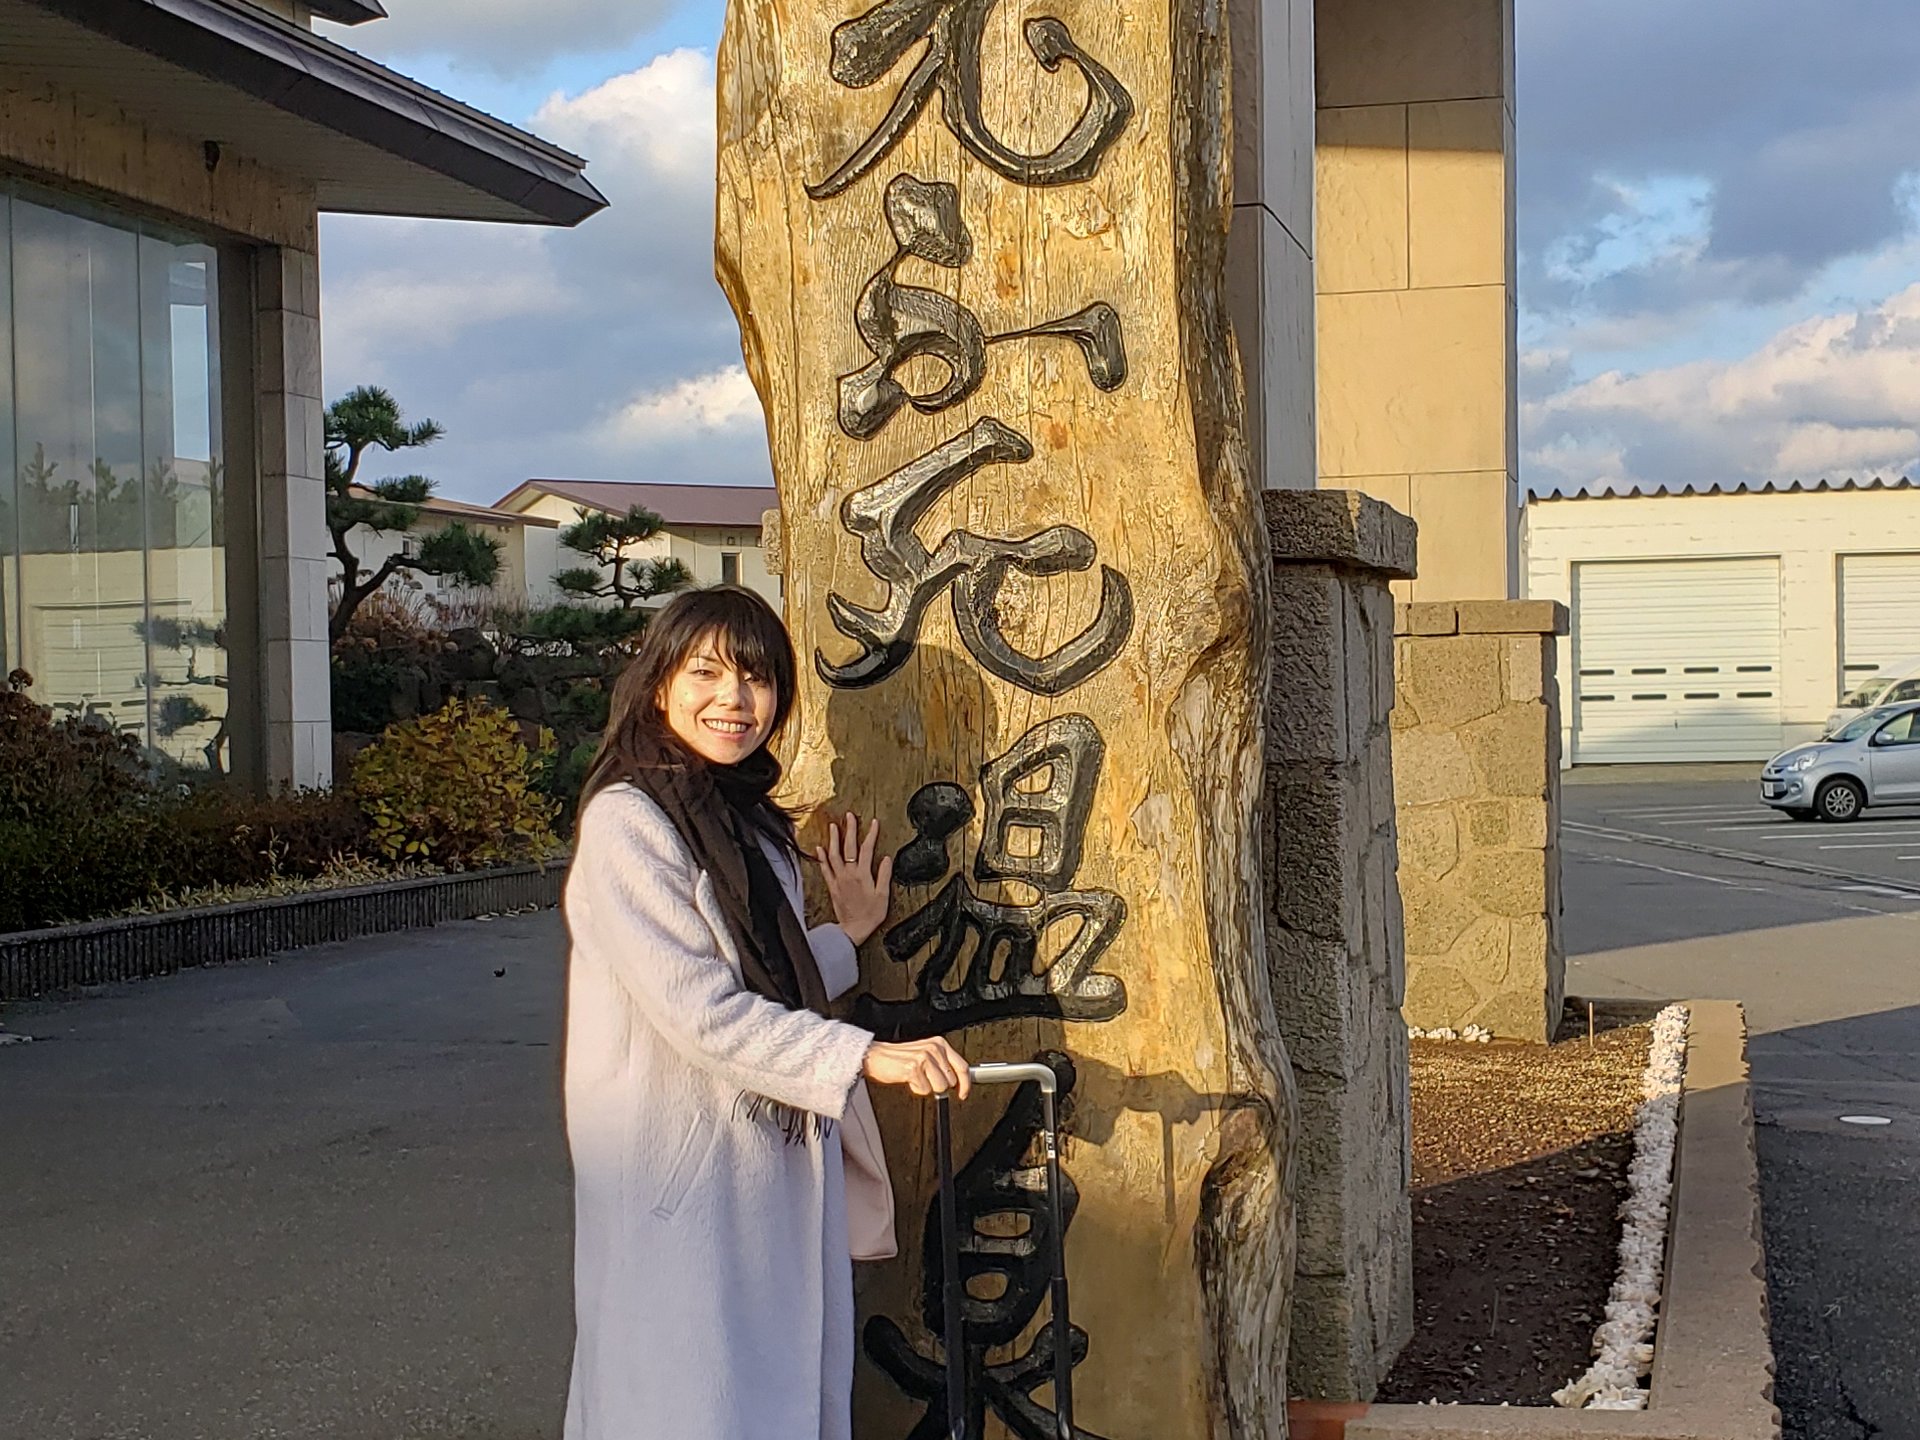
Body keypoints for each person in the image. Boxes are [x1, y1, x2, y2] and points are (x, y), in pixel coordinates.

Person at [560, 584, 970, 1440]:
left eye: (756, 678)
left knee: (767, 1401)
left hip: (766, 1168)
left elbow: (762, 985)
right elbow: (700, 1011)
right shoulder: (629, 823)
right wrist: (862, 1055)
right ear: (660, 683)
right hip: (680, 1180)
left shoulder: (750, 823)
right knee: (685, 1404)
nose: (733, 699)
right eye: (705, 672)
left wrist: (846, 934)